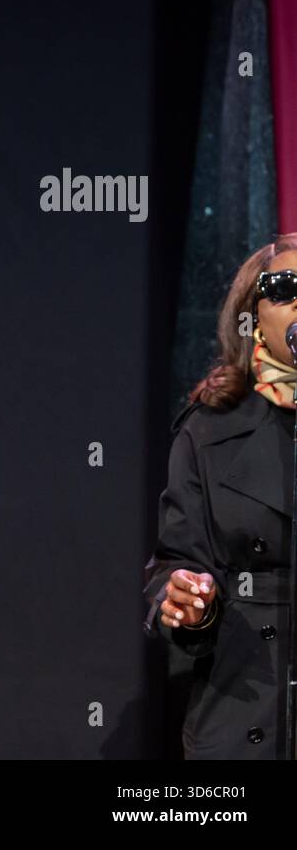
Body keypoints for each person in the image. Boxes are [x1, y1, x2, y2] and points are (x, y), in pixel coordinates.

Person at [145, 234, 297, 759]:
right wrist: (189, 602)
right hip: (245, 701)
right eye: (285, 287)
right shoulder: (208, 431)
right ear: (251, 315)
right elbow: (177, 562)